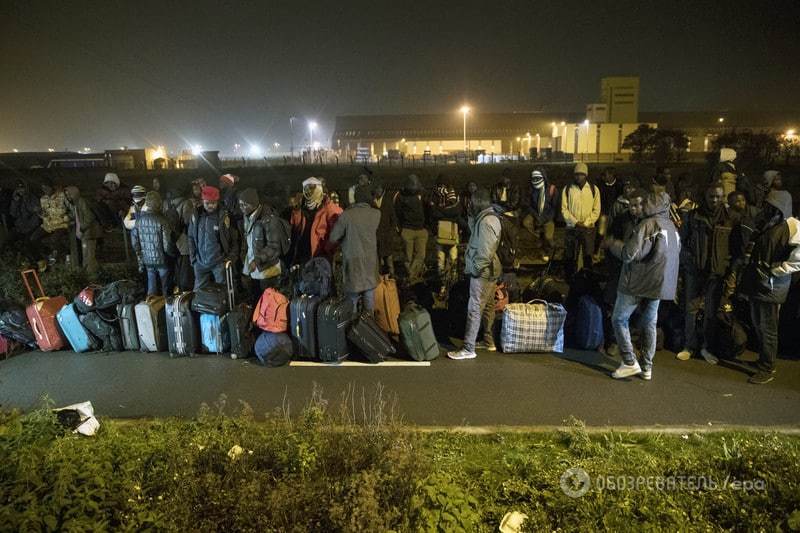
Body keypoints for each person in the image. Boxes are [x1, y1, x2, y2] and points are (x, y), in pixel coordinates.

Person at [602, 191, 680, 380]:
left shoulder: (648, 225)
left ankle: (629, 361)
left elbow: (630, 254)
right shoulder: (671, 226)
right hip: (659, 285)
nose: (642, 206)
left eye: (646, 202)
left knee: (619, 319)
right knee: (649, 323)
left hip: (637, 282)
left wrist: (613, 244)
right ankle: (647, 367)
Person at [739, 191, 796, 384]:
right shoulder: (770, 223)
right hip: (759, 283)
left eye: (772, 205)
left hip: (772, 286)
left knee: (768, 328)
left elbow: (797, 260)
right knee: (759, 324)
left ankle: (768, 367)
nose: (767, 208)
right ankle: (764, 360)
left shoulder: (792, 227)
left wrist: (776, 271)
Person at [677, 183, 737, 364]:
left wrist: (728, 269)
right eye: (712, 196)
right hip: (694, 272)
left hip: (716, 274)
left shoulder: (730, 219)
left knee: (710, 312)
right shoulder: (693, 216)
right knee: (691, 309)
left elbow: (735, 248)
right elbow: (682, 242)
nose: (715, 200)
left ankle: (706, 348)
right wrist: (688, 263)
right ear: (705, 196)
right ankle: (689, 346)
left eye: (719, 196)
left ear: (723, 197)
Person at [447, 188, 502, 360]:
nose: (469, 204)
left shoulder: (487, 222)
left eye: (471, 202)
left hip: (483, 271)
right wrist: (471, 216)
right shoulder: (484, 218)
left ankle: (469, 347)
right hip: (490, 269)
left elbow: (485, 251)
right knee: (488, 306)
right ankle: (488, 341)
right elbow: (475, 233)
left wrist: (475, 269)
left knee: (475, 307)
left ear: (477, 202)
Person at [329, 184, 381, 312]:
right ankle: (369, 328)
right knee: (369, 305)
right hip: (370, 264)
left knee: (351, 304)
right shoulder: (376, 214)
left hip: (353, 266)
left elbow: (333, 238)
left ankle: (352, 329)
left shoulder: (346, 216)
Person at [239, 188, 290, 303]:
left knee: (268, 307)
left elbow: (274, 247)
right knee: (257, 304)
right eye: (240, 204)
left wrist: (256, 261)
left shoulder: (269, 219)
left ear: (253, 204)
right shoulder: (247, 217)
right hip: (254, 271)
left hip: (268, 272)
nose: (241, 208)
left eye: (244, 204)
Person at [187, 186, 237, 289]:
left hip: (219, 263)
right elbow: (191, 237)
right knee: (199, 294)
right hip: (200, 263)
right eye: (207, 203)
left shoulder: (224, 217)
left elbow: (234, 240)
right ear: (202, 201)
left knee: (223, 293)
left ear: (217, 201)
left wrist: (230, 259)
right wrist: (193, 259)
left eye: (213, 203)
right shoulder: (196, 216)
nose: (210, 206)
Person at [289, 177, 342, 266]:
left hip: (320, 258)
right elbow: (297, 227)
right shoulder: (303, 206)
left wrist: (326, 250)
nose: (309, 192)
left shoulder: (331, 209)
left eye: (312, 188)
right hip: (304, 255)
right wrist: (296, 210)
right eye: (307, 189)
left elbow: (338, 234)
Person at [131, 192, 176, 297]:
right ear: (159, 203)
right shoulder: (163, 220)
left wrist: (140, 255)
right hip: (162, 260)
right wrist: (172, 255)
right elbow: (167, 243)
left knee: (152, 289)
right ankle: (165, 309)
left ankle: (150, 309)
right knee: (166, 289)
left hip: (147, 260)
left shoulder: (139, 221)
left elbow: (135, 242)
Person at [561, 162, 601, 279]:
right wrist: (575, 222)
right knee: (570, 256)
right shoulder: (568, 189)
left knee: (588, 256)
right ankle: (570, 279)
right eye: (576, 174)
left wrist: (586, 222)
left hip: (588, 229)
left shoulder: (594, 189)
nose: (578, 177)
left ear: (586, 175)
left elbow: (596, 209)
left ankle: (588, 280)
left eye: (581, 174)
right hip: (572, 228)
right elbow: (564, 209)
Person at [394, 174, 428, 284]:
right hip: (408, 229)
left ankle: (411, 278)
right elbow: (397, 212)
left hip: (419, 229)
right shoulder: (400, 196)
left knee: (420, 256)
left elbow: (428, 209)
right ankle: (413, 279)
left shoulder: (421, 194)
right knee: (408, 257)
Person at [429, 174, 463, 279]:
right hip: (447, 227)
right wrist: (448, 212)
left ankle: (450, 277)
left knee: (448, 255)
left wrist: (440, 211)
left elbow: (456, 211)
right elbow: (434, 212)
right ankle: (444, 278)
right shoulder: (436, 194)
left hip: (446, 228)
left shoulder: (435, 195)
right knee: (444, 256)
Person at [8, 179, 45, 269]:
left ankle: (39, 261)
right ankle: (19, 261)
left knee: (28, 243)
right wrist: (15, 201)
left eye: (22, 188)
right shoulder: (16, 199)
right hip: (20, 227)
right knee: (9, 241)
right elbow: (13, 213)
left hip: (31, 226)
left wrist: (27, 203)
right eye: (19, 189)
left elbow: (35, 211)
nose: (21, 191)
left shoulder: (32, 198)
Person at [522, 169, 558, 262]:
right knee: (526, 222)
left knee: (548, 237)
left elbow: (554, 208)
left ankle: (549, 248)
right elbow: (528, 205)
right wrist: (536, 216)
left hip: (547, 217)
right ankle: (538, 237)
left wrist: (544, 219)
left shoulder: (552, 189)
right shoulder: (531, 189)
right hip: (535, 213)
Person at [64, 186, 101, 275]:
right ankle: (95, 273)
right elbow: (78, 216)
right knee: (88, 256)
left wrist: (82, 228)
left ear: (74, 193)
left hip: (88, 233)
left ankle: (90, 276)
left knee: (88, 257)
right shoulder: (76, 203)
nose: (68, 197)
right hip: (85, 234)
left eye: (69, 194)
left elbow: (89, 216)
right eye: (67, 195)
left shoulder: (82, 202)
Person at [38, 180, 70, 264]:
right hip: (48, 225)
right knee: (34, 238)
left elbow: (63, 211)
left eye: (47, 188)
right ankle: (48, 255)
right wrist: (41, 214)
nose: (45, 190)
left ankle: (66, 254)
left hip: (61, 224)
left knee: (54, 239)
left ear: (51, 187)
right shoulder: (43, 199)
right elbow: (44, 213)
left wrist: (49, 212)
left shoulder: (61, 196)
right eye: (43, 188)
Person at [596, 166, 625, 257]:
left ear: (612, 175)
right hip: (604, 214)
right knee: (600, 234)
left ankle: (611, 253)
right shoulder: (600, 186)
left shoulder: (619, 186)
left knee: (613, 234)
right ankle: (598, 254)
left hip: (615, 215)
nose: (603, 177)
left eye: (605, 175)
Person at [372, 180, 400, 276]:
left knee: (389, 260)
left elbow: (393, 217)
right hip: (376, 235)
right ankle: (380, 282)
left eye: (380, 189)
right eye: (377, 189)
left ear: (383, 190)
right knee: (377, 260)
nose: (378, 191)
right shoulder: (372, 203)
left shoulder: (387, 202)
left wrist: (392, 231)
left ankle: (392, 279)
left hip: (386, 235)